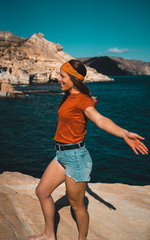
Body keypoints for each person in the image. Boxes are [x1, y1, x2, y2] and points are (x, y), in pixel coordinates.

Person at [28, 59, 148, 240]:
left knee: (77, 206)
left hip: (76, 158)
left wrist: (124, 133)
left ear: (74, 79)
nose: (58, 79)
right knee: (42, 192)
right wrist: (89, 101)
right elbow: (79, 111)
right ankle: (49, 234)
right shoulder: (71, 95)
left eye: (62, 76)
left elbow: (99, 120)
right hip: (61, 155)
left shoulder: (82, 100)